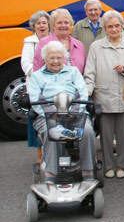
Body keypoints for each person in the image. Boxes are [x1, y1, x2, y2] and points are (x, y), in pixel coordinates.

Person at [84, 10, 124, 179]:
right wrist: (88, 91)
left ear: (122, 27)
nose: (114, 29)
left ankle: (122, 165)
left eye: (117, 25)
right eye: (110, 26)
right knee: (106, 136)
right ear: (105, 28)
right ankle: (109, 165)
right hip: (104, 97)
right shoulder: (96, 46)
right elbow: (90, 72)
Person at [28, 41, 96, 184]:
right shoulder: (37, 77)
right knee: (51, 132)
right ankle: (51, 173)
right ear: (45, 59)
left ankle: (88, 170)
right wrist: (54, 114)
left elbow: (83, 94)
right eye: (52, 58)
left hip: (75, 114)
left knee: (87, 131)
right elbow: (35, 99)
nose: (56, 61)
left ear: (63, 58)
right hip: (48, 116)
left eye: (59, 58)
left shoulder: (73, 72)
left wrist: (72, 112)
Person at [21, 10, 50, 163]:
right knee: (37, 116)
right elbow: (25, 63)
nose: (42, 26)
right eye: (39, 23)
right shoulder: (29, 42)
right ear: (34, 26)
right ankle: (39, 153)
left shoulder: (53, 39)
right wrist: (41, 72)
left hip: (52, 84)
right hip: (35, 84)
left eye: (44, 23)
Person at [33, 9, 86, 74]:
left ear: (71, 24)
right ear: (53, 25)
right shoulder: (44, 43)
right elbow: (37, 70)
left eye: (66, 22)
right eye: (59, 22)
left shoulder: (79, 45)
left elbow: (84, 71)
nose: (63, 25)